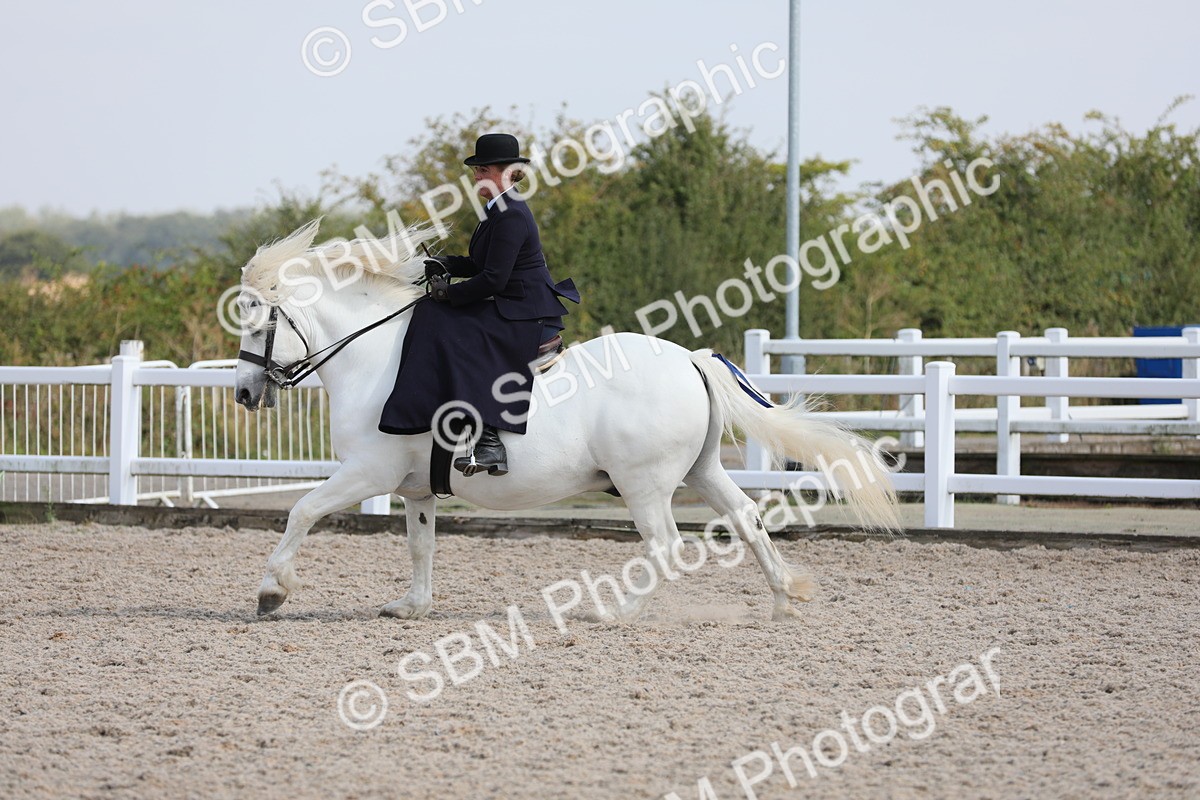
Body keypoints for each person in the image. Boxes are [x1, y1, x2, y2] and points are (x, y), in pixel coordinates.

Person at [378, 133, 580, 477]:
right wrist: (443, 265)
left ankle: (488, 440)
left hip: (525, 312)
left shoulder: (511, 214)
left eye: (481, 169)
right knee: (431, 312)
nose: (475, 176)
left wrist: (449, 295)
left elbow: (493, 280)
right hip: (514, 302)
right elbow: (481, 264)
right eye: (476, 170)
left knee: (453, 329)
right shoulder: (498, 209)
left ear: (504, 172)